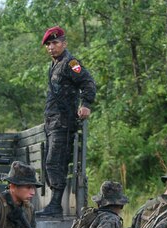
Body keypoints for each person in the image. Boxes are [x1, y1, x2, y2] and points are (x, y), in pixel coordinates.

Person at [37, 26, 96, 217]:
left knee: (54, 162)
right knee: (51, 163)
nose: (51, 47)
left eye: (55, 43)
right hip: (53, 122)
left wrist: (85, 104)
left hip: (63, 123)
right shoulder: (55, 64)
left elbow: (88, 82)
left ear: (64, 43)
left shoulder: (71, 63)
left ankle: (55, 205)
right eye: (48, 44)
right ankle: (54, 204)